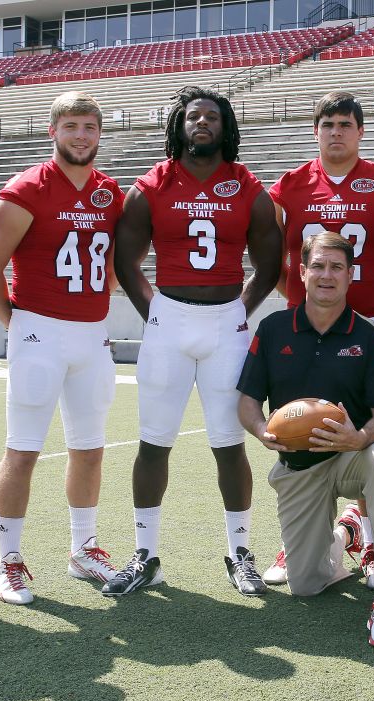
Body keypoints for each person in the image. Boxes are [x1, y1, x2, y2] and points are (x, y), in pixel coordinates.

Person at [108, 86, 282, 597]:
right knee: (152, 441)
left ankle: (240, 552)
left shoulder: (247, 186)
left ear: (225, 127)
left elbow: (270, 265)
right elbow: (126, 261)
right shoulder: (151, 185)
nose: (201, 122)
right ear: (178, 126)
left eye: (211, 116)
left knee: (229, 444)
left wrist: (236, 312)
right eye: (193, 116)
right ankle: (145, 553)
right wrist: (157, 312)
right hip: (169, 324)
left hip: (225, 323)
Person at [0, 91, 125, 604]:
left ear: (99, 133)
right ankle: (7, 560)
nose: (81, 136)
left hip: (91, 332)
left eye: (90, 126)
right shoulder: (27, 189)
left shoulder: (109, 191)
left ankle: (84, 549)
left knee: (90, 447)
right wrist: (17, 322)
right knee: (23, 449)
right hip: (38, 327)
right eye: (71, 126)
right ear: (53, 132)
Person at [236, 231, 374, 647]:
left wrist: (360, 437)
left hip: (352, 458)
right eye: (318, 266)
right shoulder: (275, 327)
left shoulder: (371, 335)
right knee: (305, 585)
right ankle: (346, 533)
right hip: (299, 467)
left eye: (337, 267)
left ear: (351, 276)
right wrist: (262, 430)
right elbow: (246, 401)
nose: (326, 275)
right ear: (302, 273)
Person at [262, 91, 374, 588]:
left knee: (364, 433)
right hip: (309, 325)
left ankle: (366, 532)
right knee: (301, 422)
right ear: (315, 130)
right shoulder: (291, 185)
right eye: (327, 123)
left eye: (346, 124)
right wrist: (297, 298)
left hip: (368, 321)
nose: (336, 132)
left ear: (361, 131)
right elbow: (271, 252)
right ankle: (303, 537)